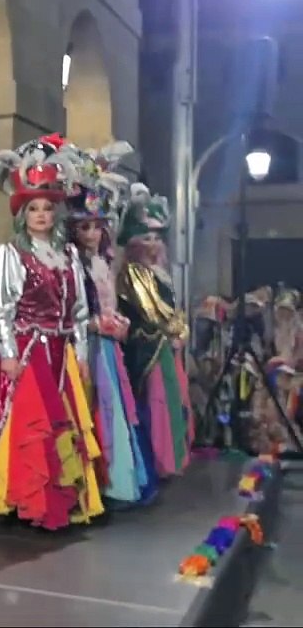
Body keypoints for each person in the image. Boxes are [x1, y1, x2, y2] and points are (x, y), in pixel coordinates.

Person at [0, 133, 104, 531]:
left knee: (64, 426)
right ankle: (28, 499)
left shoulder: (68, 256)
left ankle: (60, 499)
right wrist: (8, 353)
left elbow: (79, 310)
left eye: (48, 208)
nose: (42, 215)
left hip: (61, 352)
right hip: (29, 352)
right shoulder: (12, 254)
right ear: (23, 215)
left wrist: (81, 353)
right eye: (34, 209)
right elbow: (0, 308)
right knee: (33, 428)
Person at [63, 138, 154, 508]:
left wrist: (115, 321)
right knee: (95, 410)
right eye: (84, 228)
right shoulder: (73, 263)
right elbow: (71, 312)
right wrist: (96, 326)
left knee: (114, 408)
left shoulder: (102, 263)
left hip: (108, 347)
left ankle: (115, 479)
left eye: (97, 227)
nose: (91, 234)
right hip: (86, 346)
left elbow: (107, 302)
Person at [116, 183, 194, 479]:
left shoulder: (159, 271)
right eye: (147, 237)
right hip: (146, 343)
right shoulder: (134, 272)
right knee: (155, 400)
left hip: (162, 343)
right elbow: (152, 310)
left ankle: (168, 460)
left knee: (172, 398)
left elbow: (170, 307)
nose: (153, 244)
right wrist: (177, 327)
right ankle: (155, 461)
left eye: (157, 237)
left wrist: (178, 327)